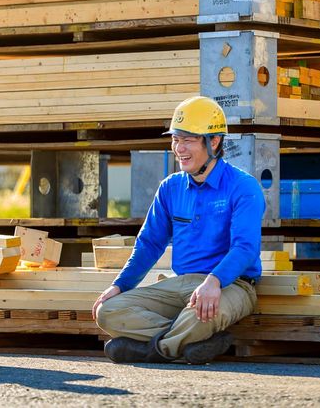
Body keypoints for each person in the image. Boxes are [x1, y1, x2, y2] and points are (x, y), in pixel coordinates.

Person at [93, 96, 264, 365]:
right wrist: (120, 285)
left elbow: (245, 247)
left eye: (187, 140)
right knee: (108, 311)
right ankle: (187, 345)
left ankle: (151, 350)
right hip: (181, 283)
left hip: (232, 285)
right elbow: (149, 244)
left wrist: (214, 282)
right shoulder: (170, 188)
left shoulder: (244, 187)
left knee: (202, 314)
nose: (178, 148)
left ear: (214, 141)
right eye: (175, 139)